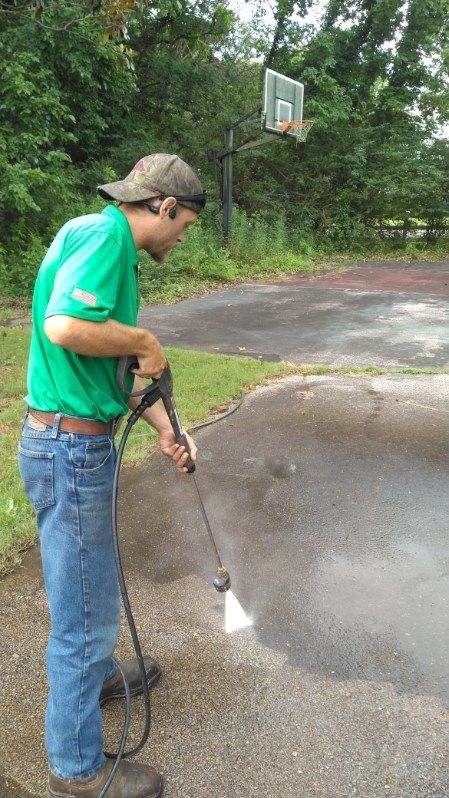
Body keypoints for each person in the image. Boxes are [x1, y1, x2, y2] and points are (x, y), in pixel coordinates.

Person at [18, 154, 207, 798]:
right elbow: (65, 326)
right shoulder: (104, 237)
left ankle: (93, 678)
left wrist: (164, 429)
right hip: (68, 450)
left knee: (91, 584)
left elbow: (101, 375)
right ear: (161, 206)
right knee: (87, 608)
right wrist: (144, 341)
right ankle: (76, 764)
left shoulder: (101, 241)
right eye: (184, 223)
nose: (182, 238)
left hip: (73, 441)